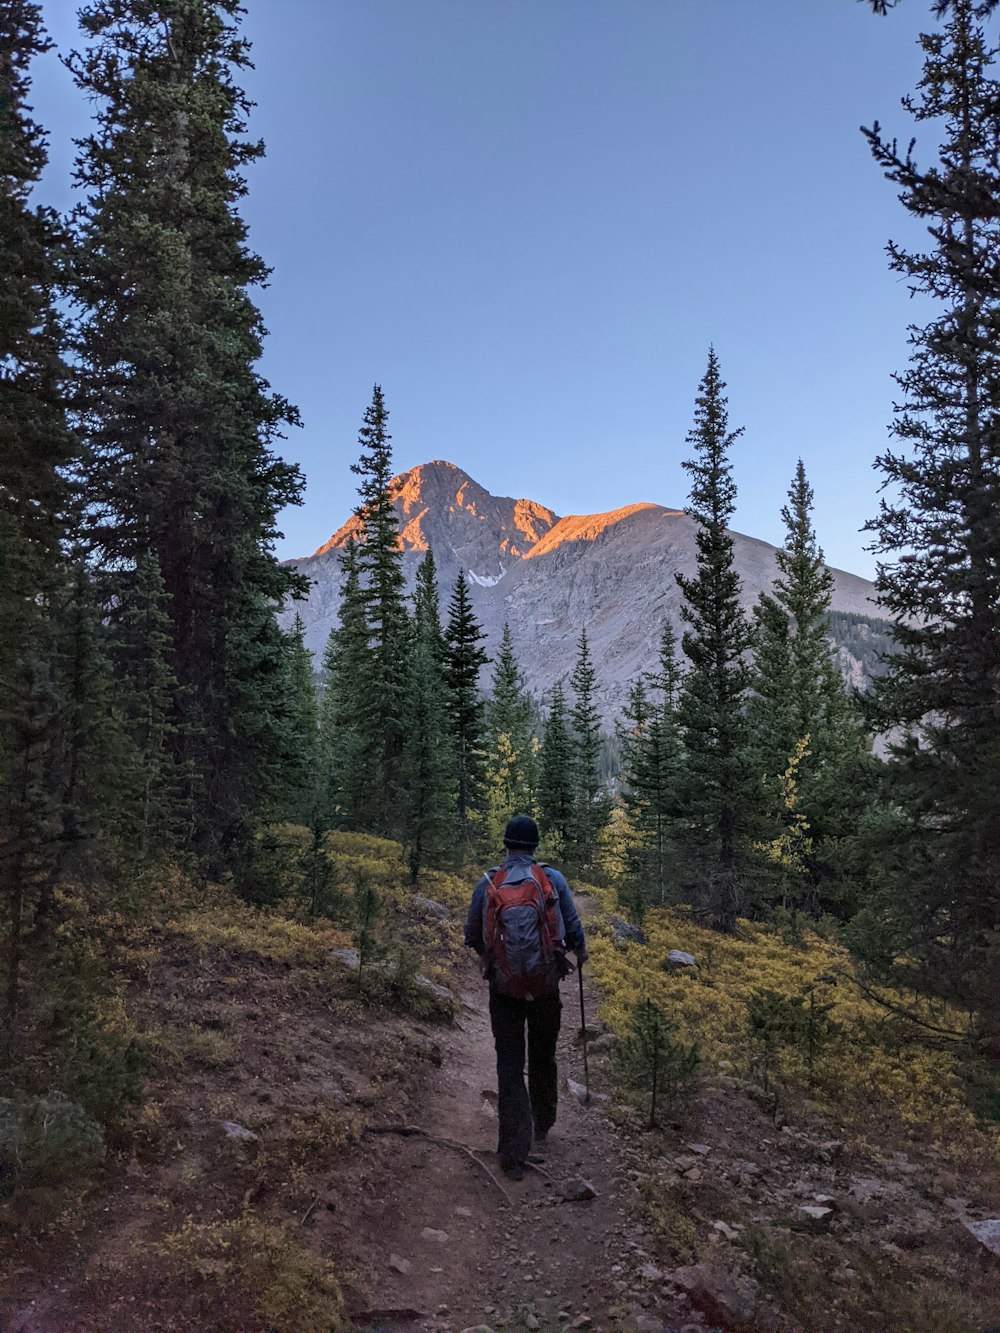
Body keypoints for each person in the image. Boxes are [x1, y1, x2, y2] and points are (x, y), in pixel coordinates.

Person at [464, 814, 587, 1180]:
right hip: (545, 985)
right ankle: (543, 1125)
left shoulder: (488, 882)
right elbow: (572, 924)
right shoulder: (552, 879)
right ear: (534, 847)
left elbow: (472, 933)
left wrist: (493, 961)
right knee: (543, 1054)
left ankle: (513, 1151)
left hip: (504, 990)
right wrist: (579, 951)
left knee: (509, 1062)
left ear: (506, 845)